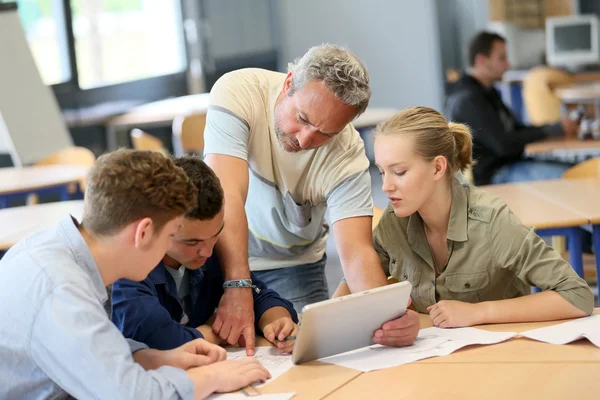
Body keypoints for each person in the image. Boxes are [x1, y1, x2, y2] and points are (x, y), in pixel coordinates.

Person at [0, 149, 270, 400]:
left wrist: (149, 358)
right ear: (143, 233)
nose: (169, 249)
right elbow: (128, 395)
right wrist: (210, 377)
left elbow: (85, 349)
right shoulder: (61, 289)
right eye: (170, 235)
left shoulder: (59, 251)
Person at [204, 44, 394, 351]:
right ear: (289, 82)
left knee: (304, 359)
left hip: (292, 265)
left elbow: (357, 253)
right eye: (303, 118)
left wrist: (387, 321)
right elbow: (228, 196)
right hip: (215, 260)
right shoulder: (239, 91)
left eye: (325, 133)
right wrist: (237, 283)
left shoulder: (346, 156)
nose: (306, 140)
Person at [336, 106, 594, 328]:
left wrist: (479, 313)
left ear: (438, 167)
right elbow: (352, 285)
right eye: (382, 172)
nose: (386, 186)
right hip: (433, 363)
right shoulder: (395, 221)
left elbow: (577, 296)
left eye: (399, 172)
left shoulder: (492, 222)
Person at [112, 156, 298, 355]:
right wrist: (216, 331)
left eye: (216, 234)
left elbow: (255, 294)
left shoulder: (212, 250)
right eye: (192, 242)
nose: (207, 252)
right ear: (156, 227)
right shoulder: (128, 270)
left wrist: (277, 321)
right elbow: (160, 341)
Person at [445, 31, 580, 186]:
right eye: (502, 58)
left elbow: (515, 130)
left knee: (578, 168)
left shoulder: (486, 92)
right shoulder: (469, 100)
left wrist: (555, 128)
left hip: (510, 165)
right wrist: (552, 130)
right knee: (576, 177)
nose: (508, 64)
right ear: (482, 60)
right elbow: (504, 145)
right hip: (494, 175)